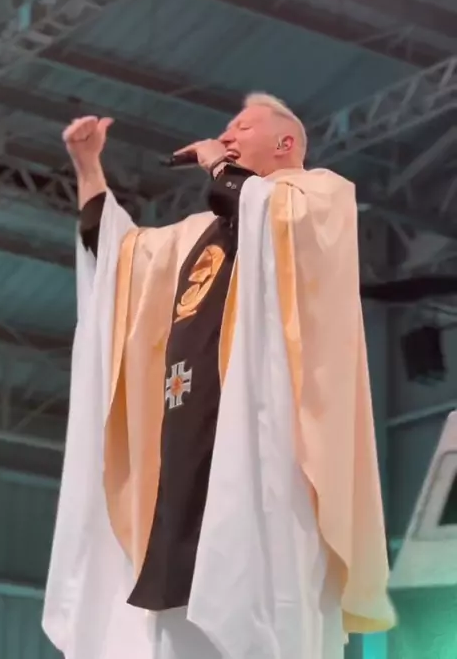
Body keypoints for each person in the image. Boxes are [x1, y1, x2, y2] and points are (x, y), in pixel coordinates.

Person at [43, 94, 395, 659]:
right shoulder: (193, 235)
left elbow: (264, 211)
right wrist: (88, 165)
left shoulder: (318, 195)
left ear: (285, 144)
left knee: (258, 602)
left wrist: (215, 162)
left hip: (262, 446)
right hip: (185, 451)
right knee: (176, 617)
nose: (227, 136)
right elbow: (114, 255)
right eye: (225, 131)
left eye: (243, 128)